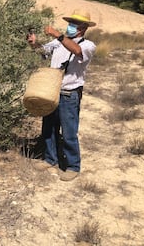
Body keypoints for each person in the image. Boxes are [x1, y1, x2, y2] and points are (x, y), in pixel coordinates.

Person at [26, 9, 96, 181]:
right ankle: (50, 158)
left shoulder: (88, 45)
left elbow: (77, 51)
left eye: (75, 23)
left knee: (69, 131)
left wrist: (57, 34)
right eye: (70, 22)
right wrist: (33, 43)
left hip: (69, 94)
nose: (71, 26)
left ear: (83, 28)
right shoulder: (58, 43)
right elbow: (42, 52)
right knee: (48, 128)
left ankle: (73, 166)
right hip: (52, 91)